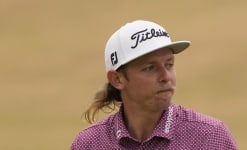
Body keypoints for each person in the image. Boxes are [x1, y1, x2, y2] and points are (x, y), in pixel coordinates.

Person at [71, 20, 237, 150]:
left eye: (169, 65)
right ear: (117, 79)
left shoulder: (211, 137)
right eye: (150, 68)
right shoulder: (88, 144)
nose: (166, 77)